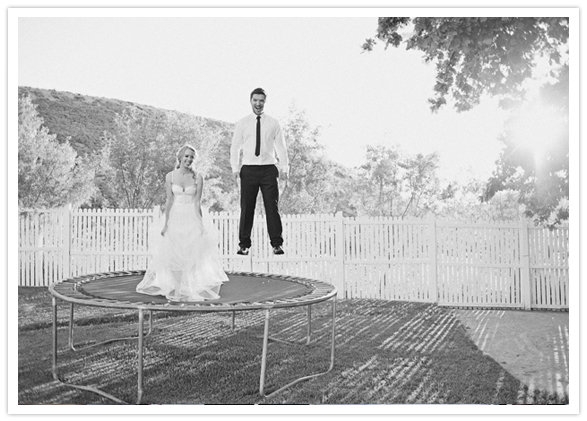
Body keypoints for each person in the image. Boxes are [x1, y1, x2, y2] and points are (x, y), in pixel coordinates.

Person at [136, 144, 229, 301]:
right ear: (180, 158)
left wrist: (201, 224)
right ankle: (178, 289)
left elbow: (197, 202)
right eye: (186, 156)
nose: (189, 159)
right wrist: (166, 223)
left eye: (192, 157)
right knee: (173, 253)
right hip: (175, 216)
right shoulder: (170, 177)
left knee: (192, 253)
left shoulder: (197, 177)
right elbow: (169, 200)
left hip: (191, 216)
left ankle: (190, 287)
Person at [230, 87, 289, 256]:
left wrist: (284, 168)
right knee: (247, 207)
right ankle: (244, 244)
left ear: (265, 102)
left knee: (272, 206)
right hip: (248, 169)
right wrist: (235, 168)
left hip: (269, 169)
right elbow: (235, 147)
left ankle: (276, 244)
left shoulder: (273, 123)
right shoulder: (243, 123)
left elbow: (281, 147)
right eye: (255, 100)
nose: (258, 103)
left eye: (261, 101)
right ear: (251, 101)